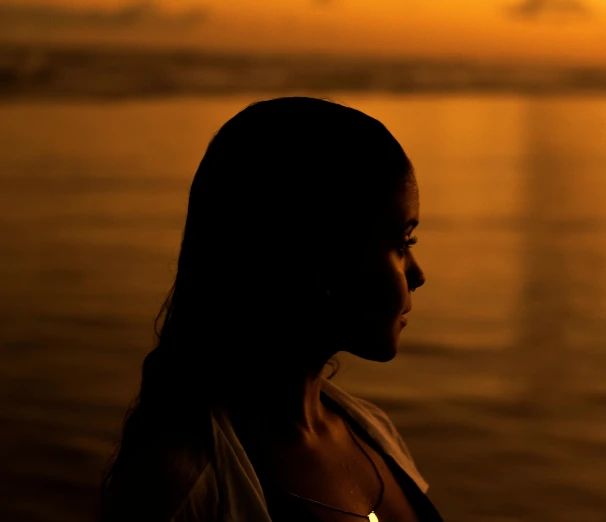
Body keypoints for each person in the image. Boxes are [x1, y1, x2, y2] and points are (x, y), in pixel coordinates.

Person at [99, 97, 441, 522]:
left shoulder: (372, 431)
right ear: (322, 254)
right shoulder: (181, 488)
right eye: (402, 243)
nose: (418, 274)